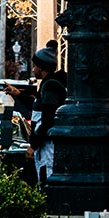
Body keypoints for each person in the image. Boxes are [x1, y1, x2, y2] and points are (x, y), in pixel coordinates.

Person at [27, 40, 67, 184]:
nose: (33, 69)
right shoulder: (50, 85)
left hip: (47, 145)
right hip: (46, 143)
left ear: (41, 67)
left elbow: (47, 118)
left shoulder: (49, 86)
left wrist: (34, 144)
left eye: (35, 66)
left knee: (46, 177)